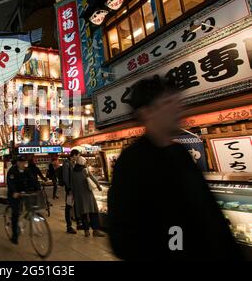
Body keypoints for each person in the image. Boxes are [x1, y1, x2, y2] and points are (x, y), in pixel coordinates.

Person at [108, 76, 243, 260]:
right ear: (147, 112)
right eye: (168, 102)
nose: (179, 107)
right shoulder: (132, 162)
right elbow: (122, 237)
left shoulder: (180, 153)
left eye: (178, 100)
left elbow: (209, 214)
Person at [7, 155, 40, 245]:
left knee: (30, 207)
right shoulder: (12, 171)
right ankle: (14, 235)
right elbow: (10, 183)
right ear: (17, 162)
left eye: (24, 162)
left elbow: (32, 180)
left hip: (24, 192)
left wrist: (37, 188)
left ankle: (25, 218)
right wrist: (14, 192)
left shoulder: (26, 170)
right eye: (21, 162)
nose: (23, 164)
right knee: (16, 213)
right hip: (14, 194)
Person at [71, 156, 104, 237]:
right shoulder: (85, 170)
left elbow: (72, 184)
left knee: (83, 213)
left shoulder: (72, 172)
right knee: (93, 212)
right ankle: (95, 231)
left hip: (79, 196)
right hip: (88, 194)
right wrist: (98, 186)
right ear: (83, 163)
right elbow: (93, 178)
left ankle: (86, 231)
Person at [62, 149, 81, 234]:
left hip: (74, 189)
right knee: (68, 207)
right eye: (77, 155)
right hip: (70, 190)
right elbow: (66, 178)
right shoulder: (66, 164)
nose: (78, 157)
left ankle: (78, 223)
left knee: (75, 206)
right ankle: (69, 227)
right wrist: (69, 188)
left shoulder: (72, 163)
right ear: (74, 155)